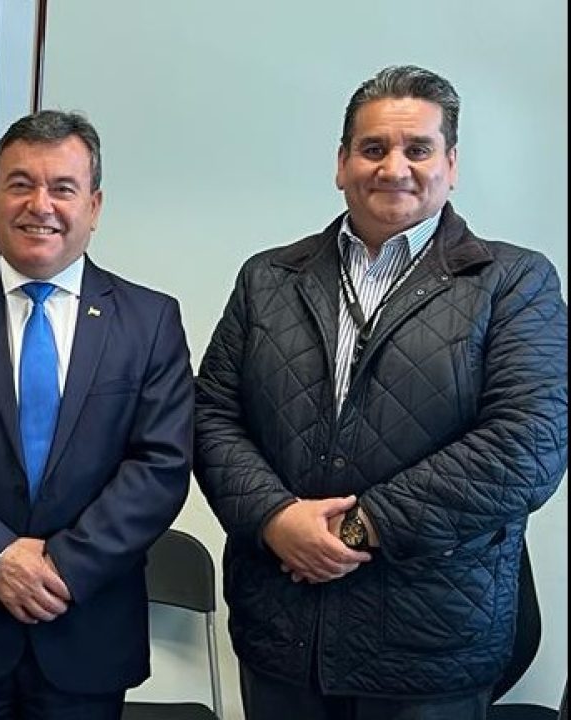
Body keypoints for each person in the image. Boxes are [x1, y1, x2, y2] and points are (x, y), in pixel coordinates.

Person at [194, 65, 568, 720]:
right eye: (373, 148)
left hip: (431, 646)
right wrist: (276, 518)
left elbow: (529, 444)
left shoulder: (513, 282)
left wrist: (361, 526)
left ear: (450, 165)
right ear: (342, 164)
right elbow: (211, 416)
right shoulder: (267, 279)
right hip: (283, 633)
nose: (394, 168)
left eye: (418, 149)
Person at [0, 110, 194, 719]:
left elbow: (160, 466)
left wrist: (64, 566)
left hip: (86, 627)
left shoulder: (150, 320)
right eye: (20, 184)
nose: (40, 205)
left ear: (94, 205)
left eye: (63, 187)